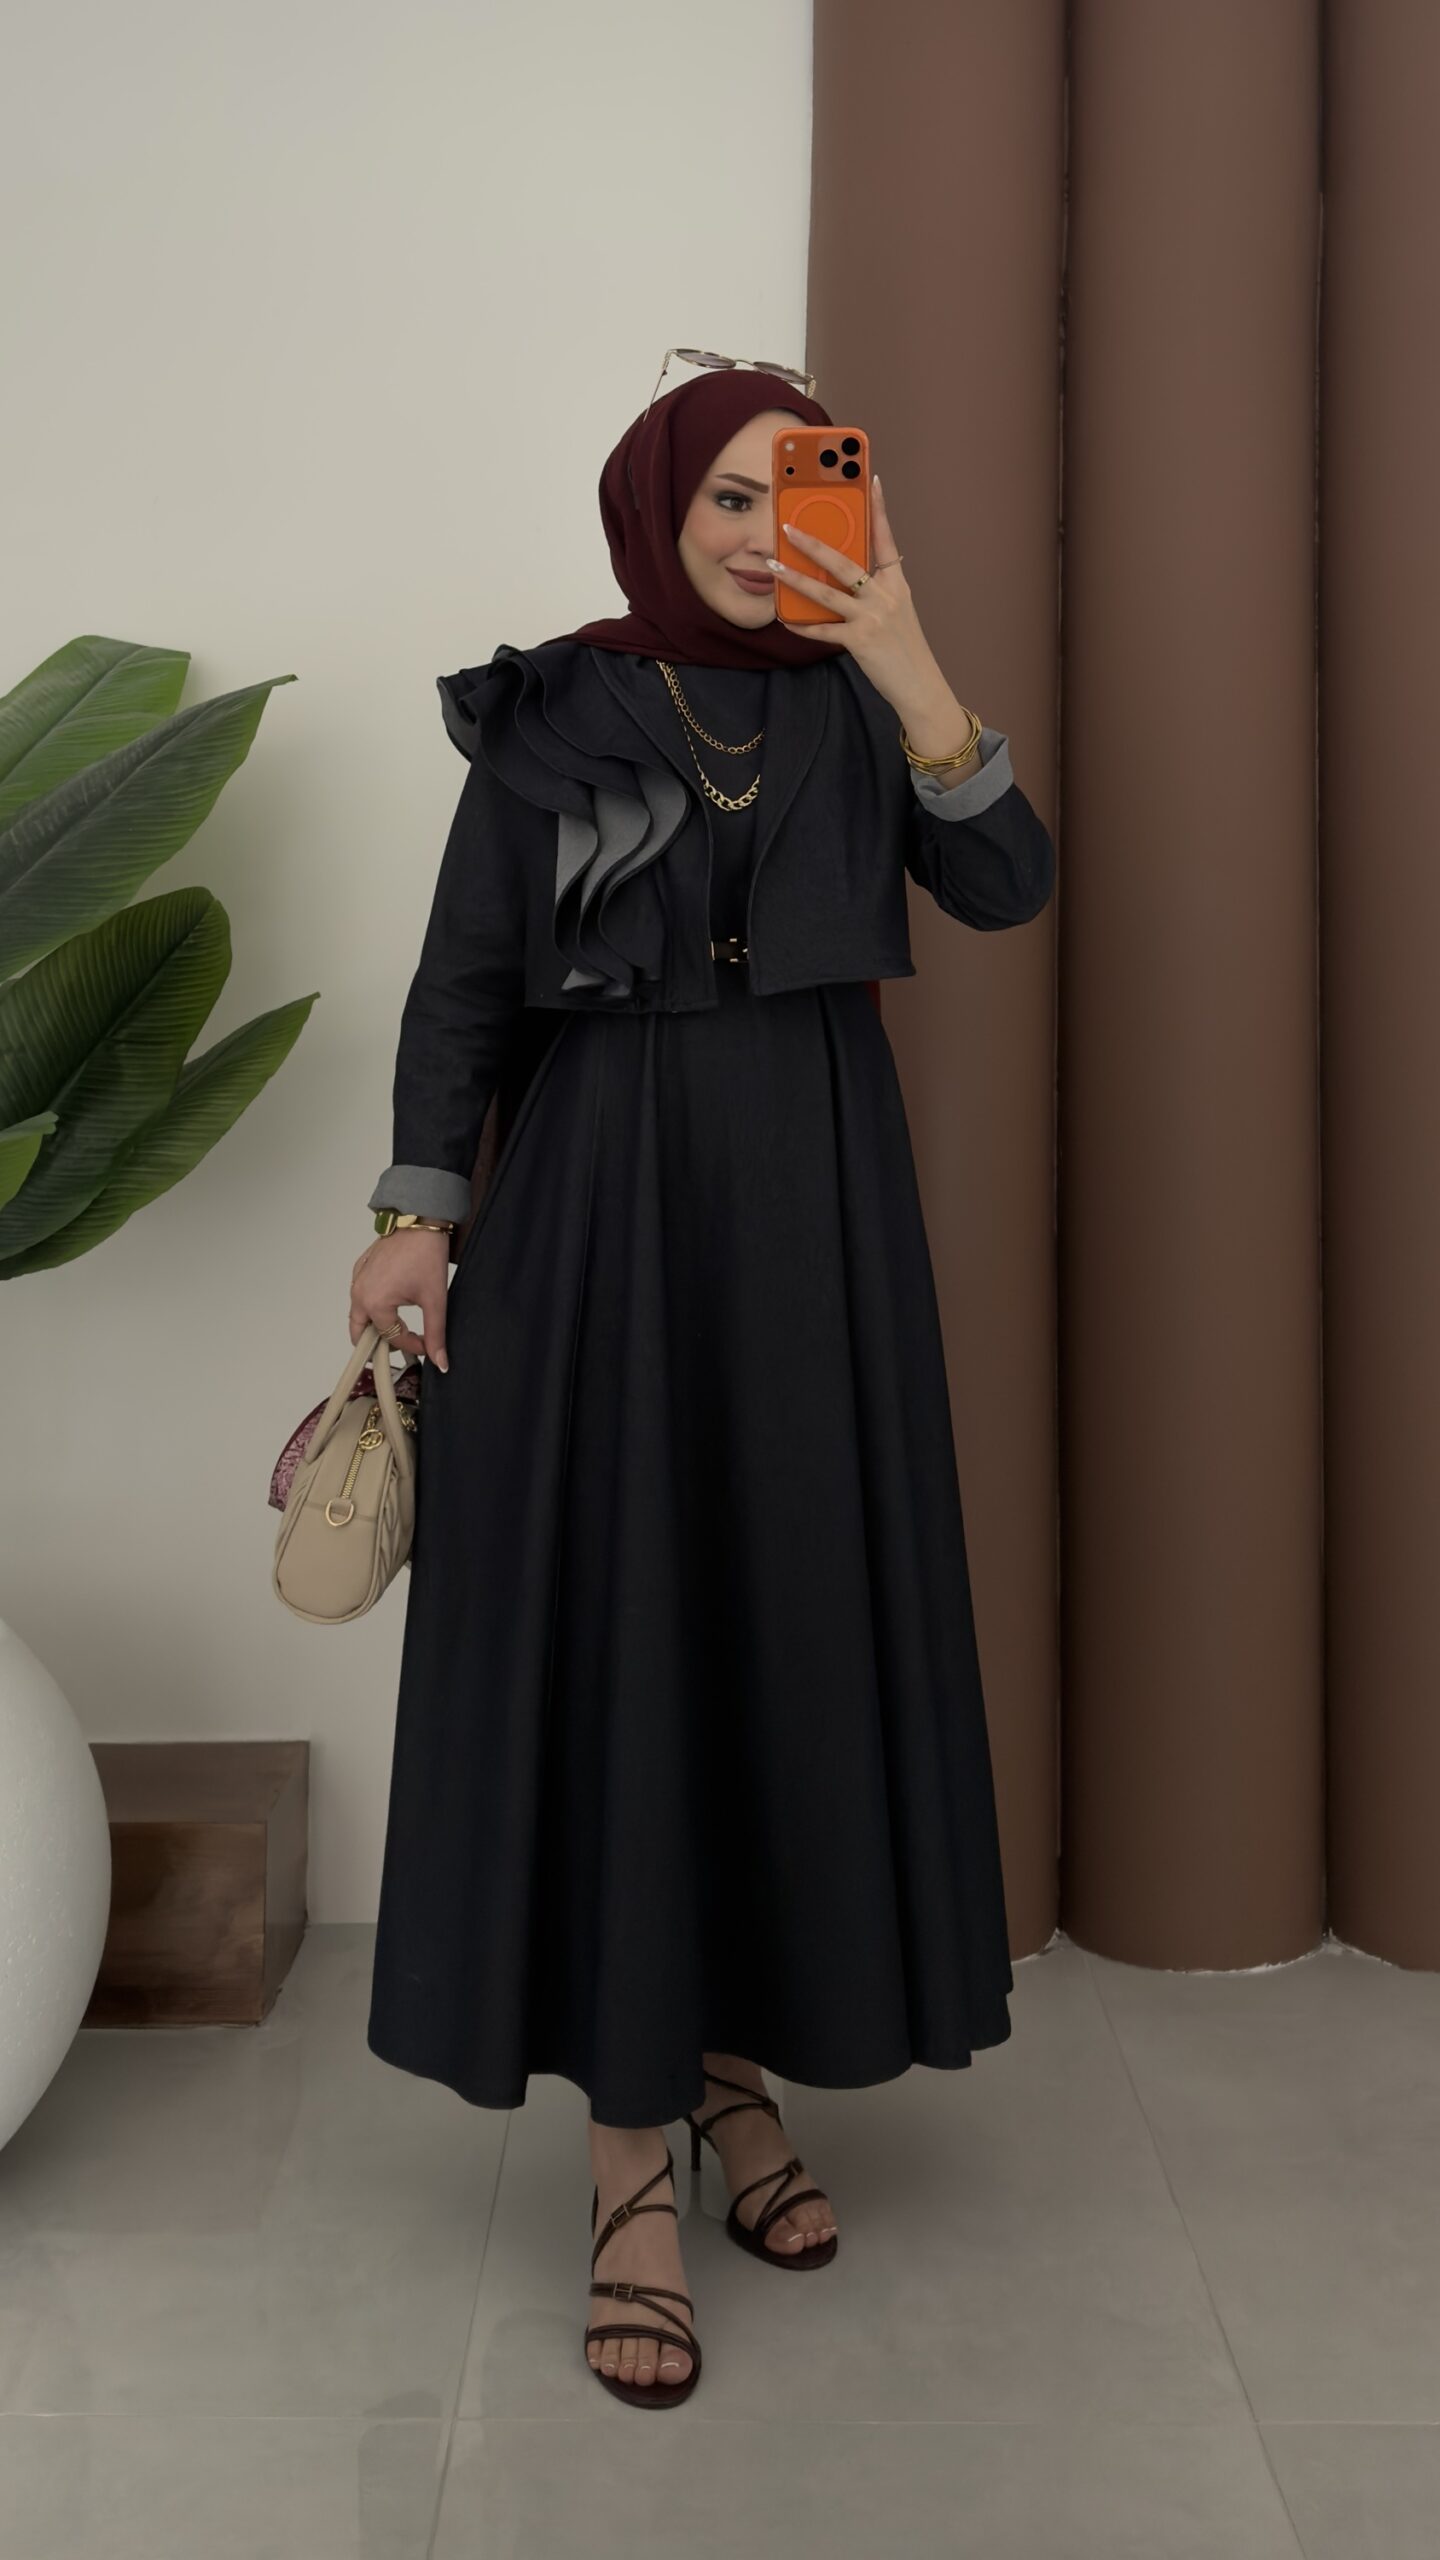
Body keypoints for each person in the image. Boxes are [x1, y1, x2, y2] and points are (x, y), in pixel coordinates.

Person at [352, 361, 1056, 2410]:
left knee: (777, 1627)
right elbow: (465, 980)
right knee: (625, 1632)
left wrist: (907, 653)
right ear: (657, 508)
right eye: (727, 497)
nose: (760, 533)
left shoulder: (859, 699)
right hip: (596, 1212)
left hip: (817, 1215)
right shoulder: (557, 710)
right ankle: (625, 2167)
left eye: (798, 491)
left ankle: (734, 2076)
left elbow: (1005, 882)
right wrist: (416, 1213)